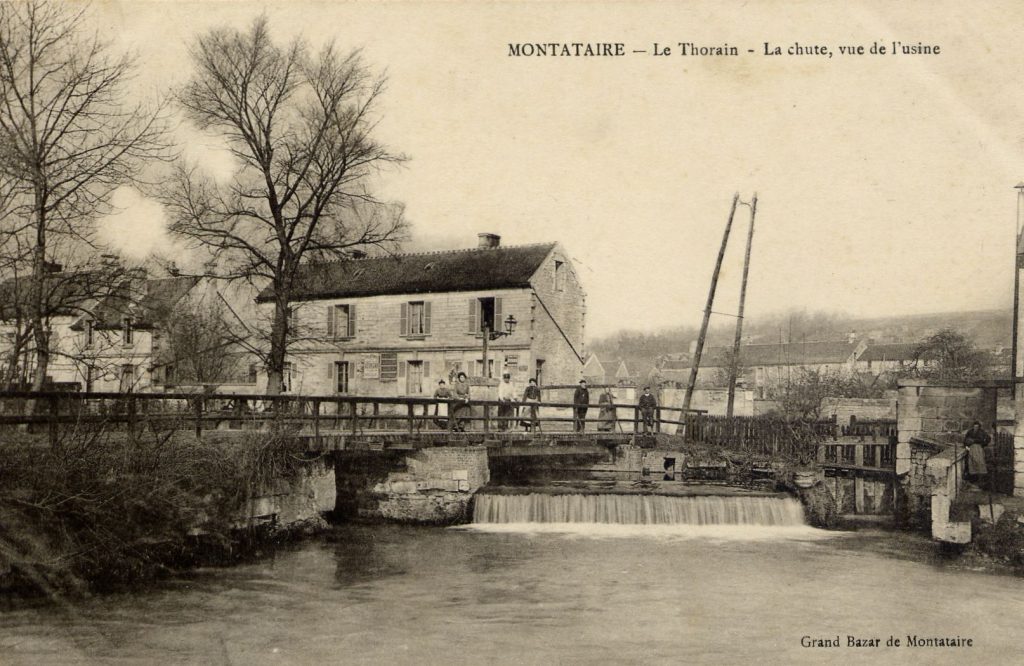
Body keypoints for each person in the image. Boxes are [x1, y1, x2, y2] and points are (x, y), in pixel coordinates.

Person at [964, 420, 991, 487]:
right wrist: (967, 445)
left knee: (980, 462)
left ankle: (981, 480)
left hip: (978, 448)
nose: (976, 427)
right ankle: (973, 480)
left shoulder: (982, 432)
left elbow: (988, 438)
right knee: (972, 463)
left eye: (977, 426)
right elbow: (965, 439)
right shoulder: (970, 432)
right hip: (971, 448)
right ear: (973, 426)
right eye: (974, 426)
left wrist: (983, 444)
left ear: (979, 427)